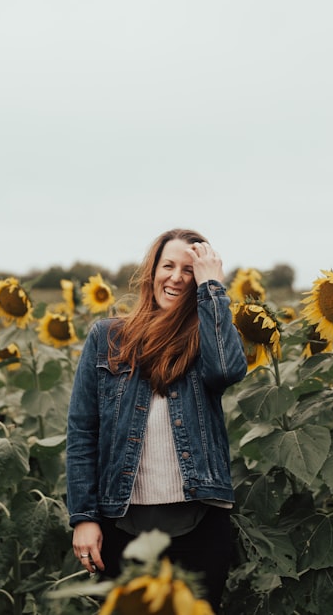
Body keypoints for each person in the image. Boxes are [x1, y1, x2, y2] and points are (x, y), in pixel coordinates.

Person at [65, 228, 248, 612]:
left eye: (189, 269)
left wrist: (212, 286)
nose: (177, 277)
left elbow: (228, 370)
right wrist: (84, 517)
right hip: (121, 524)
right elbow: (83, 430)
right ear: (152, 271)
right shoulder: (108, 336)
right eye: (169, 265)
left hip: (199, 522)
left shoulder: (206, 336)